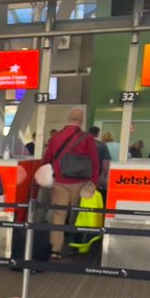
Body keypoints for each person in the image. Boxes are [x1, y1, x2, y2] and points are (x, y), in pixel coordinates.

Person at [42, 108, 100, 259]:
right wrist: (93, 182)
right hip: (80, 182)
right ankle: (75, 246)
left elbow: (47, 158)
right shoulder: (86, 138)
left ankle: (55, 250)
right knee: (78, 214)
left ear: (68, 119)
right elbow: (95, 162)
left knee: (58, 215)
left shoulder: (56, 137)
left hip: (60, 181)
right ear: (81, 121)